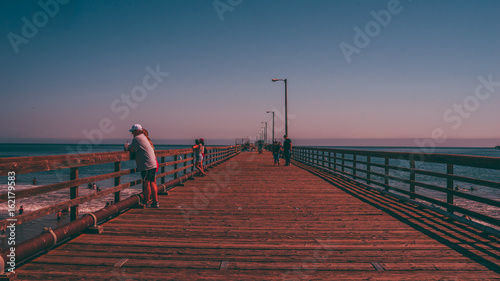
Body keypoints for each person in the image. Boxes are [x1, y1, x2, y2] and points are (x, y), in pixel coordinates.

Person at [127, 124, 159, 208]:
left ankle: (147, 202)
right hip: (153, 163)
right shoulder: (144, 137)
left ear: (137, 131)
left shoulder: (137, 138)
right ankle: (156, 202)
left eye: (133, 131)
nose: (132, 133)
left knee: (146, 183)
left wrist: (127, 147)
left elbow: (133, 149)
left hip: (146, 165)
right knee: (152, 182)